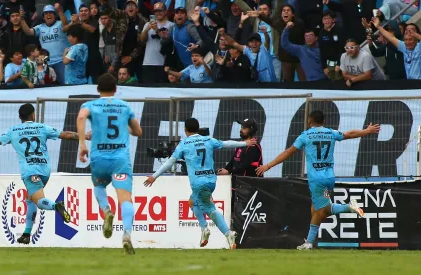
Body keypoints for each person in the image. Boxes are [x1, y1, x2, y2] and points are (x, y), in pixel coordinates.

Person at [0, 103, 92, 245]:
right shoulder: (42, 128)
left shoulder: (14, 131)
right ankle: (27, 234)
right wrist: (84, 136)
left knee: (39, 201)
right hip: (45, 170)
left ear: (19, 117)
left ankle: (56, 206)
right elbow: (65, 134)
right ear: (33, 115)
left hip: (30, 171)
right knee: (30, 199)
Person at [256, 110, 380, 250]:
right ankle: (309, 242)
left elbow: (287, 152)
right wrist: (367, 131)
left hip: (316, 179)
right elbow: (350, 134)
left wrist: (268, 165)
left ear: (309, 120)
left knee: (323, 210)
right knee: (316, 209)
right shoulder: (331, 133)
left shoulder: (306, 135)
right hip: (329, 178)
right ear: (323, 121)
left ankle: (349, 207)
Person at [143, 118, 257, 249]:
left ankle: (228, 233)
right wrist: (244, 143)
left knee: (209, 209)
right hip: (211, 180)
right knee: (192, 202)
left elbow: (170, 162)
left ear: (185, 130)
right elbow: (226, 144)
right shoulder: (207, 140)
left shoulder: (184, 143)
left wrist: (154, 176)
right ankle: (204, 229)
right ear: (198, 128)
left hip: (198, 183)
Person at [76, 73, 143, 255]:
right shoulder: (124, 106)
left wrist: (82, 144)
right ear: (116, 89)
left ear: (97, 89)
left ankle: (106, 210)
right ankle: (127, 234)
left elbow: (81, 117)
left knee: (99, 185)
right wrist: (126, 127)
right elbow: (138, 131)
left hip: (99, 158)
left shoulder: (90, 105)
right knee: (125, 199)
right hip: (120, 160)